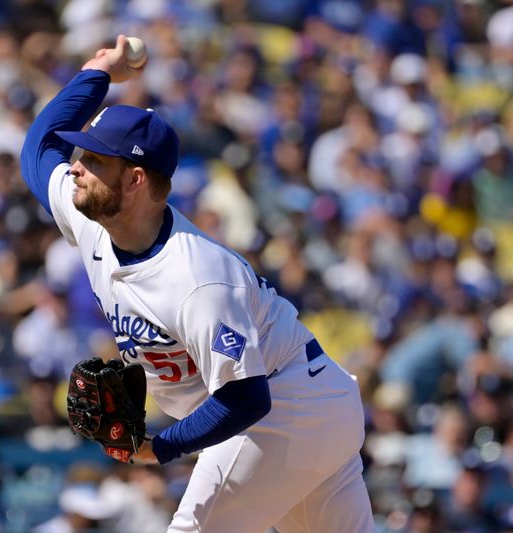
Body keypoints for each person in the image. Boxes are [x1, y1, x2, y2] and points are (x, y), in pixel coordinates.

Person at [20, 35, 374, 532]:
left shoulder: (198, 278)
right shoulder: (91, 219)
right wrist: (96, 73)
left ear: (136, 181)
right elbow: (39, 146)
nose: (76, 168)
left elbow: (246, 399)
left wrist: (158, 448)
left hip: (284, 407)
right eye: (82, 156)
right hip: (312, 406)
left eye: (96, 161)